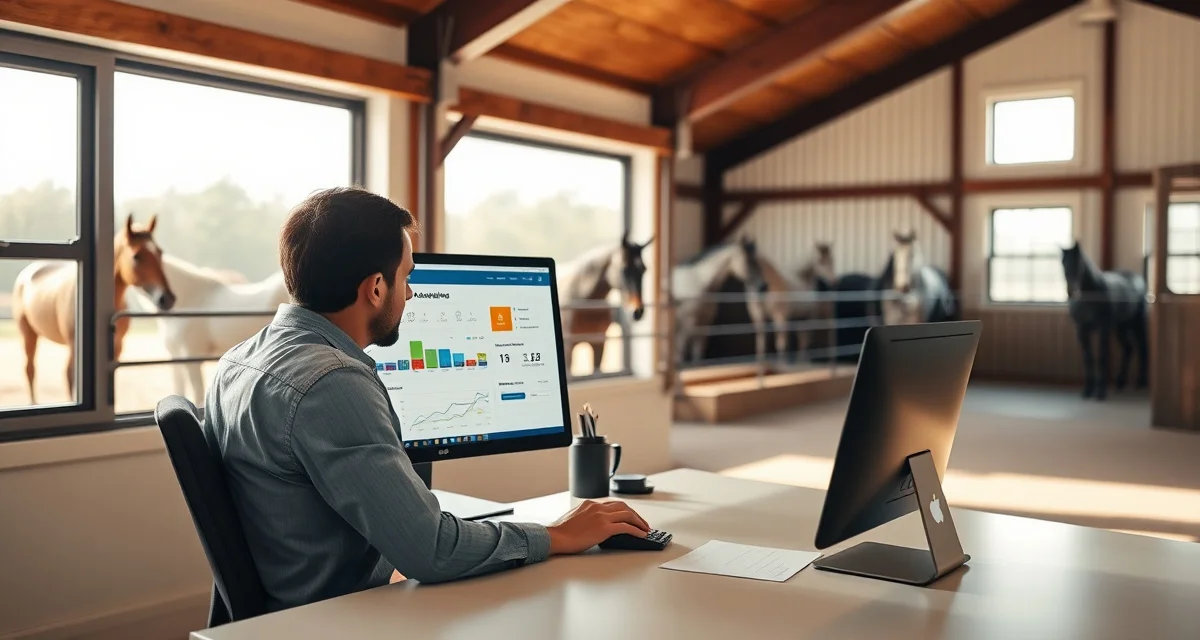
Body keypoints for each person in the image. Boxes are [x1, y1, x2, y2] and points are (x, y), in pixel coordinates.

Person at [203, 187, 651, 612]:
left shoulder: (236, 361)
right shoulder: (332, 383)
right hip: (338, 618)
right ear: (376, 288)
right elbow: (430, 551)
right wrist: (557, 535)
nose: (412, 293)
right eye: (407, 277)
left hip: (299, 607)